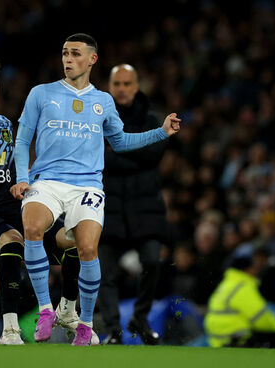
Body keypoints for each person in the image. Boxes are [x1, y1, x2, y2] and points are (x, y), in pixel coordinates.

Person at [10, 33, 180, 346]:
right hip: (46, 180)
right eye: (64, 53)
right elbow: (22, 140)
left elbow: (121, 141)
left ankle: (85, 324)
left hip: (87, 185)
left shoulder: (103, 101)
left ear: (92, 59)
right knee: (32, 227)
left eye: (75, 54)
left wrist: (161, 132)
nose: (68, 59)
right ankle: (46, 310)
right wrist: (22, 178)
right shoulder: (41, 94)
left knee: (88, 249)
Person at [0, 54, 97, 345]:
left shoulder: (3, 124)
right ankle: (10, 330)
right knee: (11, 241)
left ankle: (67, 309)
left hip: (11, 204)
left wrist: (26, 182)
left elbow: (15, 166)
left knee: (74, 238)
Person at [98, 64, 169, 345]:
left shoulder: (153, 119)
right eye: (118, 84)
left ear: (136, 86)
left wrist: (115, 149)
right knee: (104, 272)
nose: (123, 89)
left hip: (145, 207)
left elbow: (154, 155)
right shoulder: (98, 121)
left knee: (152, 261)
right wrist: (137, 149)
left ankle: (140, 319)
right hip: (108, 207)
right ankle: (114, 331)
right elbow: (96, 158)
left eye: (128, 84)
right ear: (110, 87)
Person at [205, 245, 275, 348]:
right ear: (247, 269)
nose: (256, 270)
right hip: (236, 341)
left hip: (217, 341)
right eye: (254, 267)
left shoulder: (228, 283)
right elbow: (261, 320)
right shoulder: (242, 287)